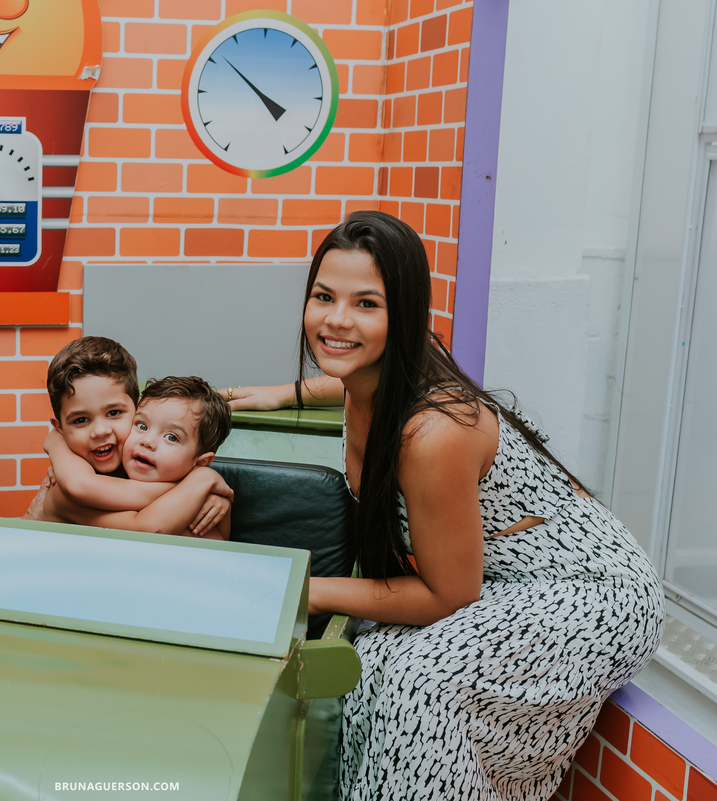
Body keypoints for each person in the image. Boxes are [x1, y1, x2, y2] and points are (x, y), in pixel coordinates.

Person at [228, 211, 663, 800]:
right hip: (500, 579)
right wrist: (289, 393)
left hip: (587, 590)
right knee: (370, 660)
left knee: (414, 681)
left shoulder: (433, 433)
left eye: (366, 304)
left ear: (401, 316)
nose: (336, 320)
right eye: (323, 296)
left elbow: (448, 595)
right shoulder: (375, 374)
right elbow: (349, 362)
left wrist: (303, 588)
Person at [27, 336, 232, 536]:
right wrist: (201, 482)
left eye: (114, 413)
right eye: (80, 420)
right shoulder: (64, 489)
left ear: (136, 407)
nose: (100, 431)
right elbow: (148, 528)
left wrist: (209, 494)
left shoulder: (144, 468)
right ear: (60, 429)